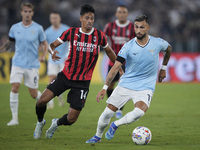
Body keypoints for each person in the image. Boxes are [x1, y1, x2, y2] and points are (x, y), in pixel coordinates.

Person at [33, 4, 122, 140]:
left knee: (71, 119)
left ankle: (56, 123)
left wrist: (119, 68)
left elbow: (110, 52)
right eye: (87, 18)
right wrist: (52, 53)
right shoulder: (71, 32)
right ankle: (40, 122)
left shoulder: (99, 36)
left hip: (83, 82)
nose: (90, 21)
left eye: (92, 18)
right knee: (41, 101)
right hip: (65, 76)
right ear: (81, 18)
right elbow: (51, 46)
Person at [86, 15, 172, 143]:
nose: (138, 30)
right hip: (126, 84)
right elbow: (115, 67)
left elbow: (169, 48)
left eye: (142, 27)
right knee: (107, 114)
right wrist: (104, 87)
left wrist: (163, 67)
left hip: (145, 86)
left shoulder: (157, 42)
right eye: (136, 27)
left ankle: (115, 125)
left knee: (139, 112)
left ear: (148, 28)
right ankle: (97, 136)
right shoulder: (128, 46)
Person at [0, 2, 48, 126]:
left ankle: (45, 98)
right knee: (15, 87)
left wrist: (43, 55)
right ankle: (14, 119)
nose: (27, 14)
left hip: (32, 65)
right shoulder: (14, 28)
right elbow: (9, 43)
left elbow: (44, 43)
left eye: (29, 11)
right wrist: (1, 49)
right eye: (25, 11)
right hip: (17, 63)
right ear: (21, 12)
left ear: (32, 13)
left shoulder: (38, 28)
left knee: (33, 94)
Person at [104, 5, 135, 119]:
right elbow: (103, 40)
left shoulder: (132, 27)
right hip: (113, 62)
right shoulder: (110, 26)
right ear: (116, 14)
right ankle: (112, 107)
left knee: (124, 87)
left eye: (124, 12)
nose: (122, 14)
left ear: (127, 14)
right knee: (110, 86)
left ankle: (119, 110)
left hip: (128, 63)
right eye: (120, 12)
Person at [45, 11, 70, 109]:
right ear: (50, 19)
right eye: (52, 18)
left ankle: (60, 98)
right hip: (53, 59)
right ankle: (50, 102)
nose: (54, 20)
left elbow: (70, 43)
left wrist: (68, 55)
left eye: (56, 18)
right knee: (51, 79)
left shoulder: (66, 29)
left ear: (59, 19)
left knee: (61, 81)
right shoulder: (47, 32)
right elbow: (46, 46)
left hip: (64, 59)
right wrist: (51, 53)